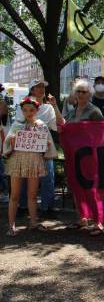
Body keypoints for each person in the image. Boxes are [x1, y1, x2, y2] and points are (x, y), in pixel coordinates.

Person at [49, 79, 104, 233]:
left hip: (89, 156)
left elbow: (101, 134)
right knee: (76, 186)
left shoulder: (94, 111)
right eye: (78, 91)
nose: (80, 94)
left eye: (84, 92)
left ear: (89, 94)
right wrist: (54, 105)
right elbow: (63, 125)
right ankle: (82, 218)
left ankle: (98, 221)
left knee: (91, 188)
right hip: (74, 156)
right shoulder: (72, 112)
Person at [4, 98, 57, 236]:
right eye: (25, 110)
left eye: (31, 110)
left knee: (32, 195)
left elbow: (47, 144)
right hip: (18, 160)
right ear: (22, 110)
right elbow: (8, 142)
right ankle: (11, 225)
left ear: (37, 110)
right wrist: (12, 142)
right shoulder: (17, 125)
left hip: (34, 161)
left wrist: (47, 146)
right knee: (14, 195)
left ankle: (33, 222)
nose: (28, 112)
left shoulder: (41, 125)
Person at [15, 79, 58, 218]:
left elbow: (55, 126)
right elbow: (18, 125)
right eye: (37, 87)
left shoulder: (48, 107)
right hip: (27, 147)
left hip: (43, 147)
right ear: (31, 90)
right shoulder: (22, 106)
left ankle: (47, 208)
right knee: (24, 176)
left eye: (42, 87)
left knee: (48, 177)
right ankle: (23, 206)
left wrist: (55, 107)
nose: (41, 89)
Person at [0, 99, 11, 201]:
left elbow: (4, 136)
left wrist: (4, 150)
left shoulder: (5, 121)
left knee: (3, 173)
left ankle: (5, 192)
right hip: (3, 149)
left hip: (3, 150)